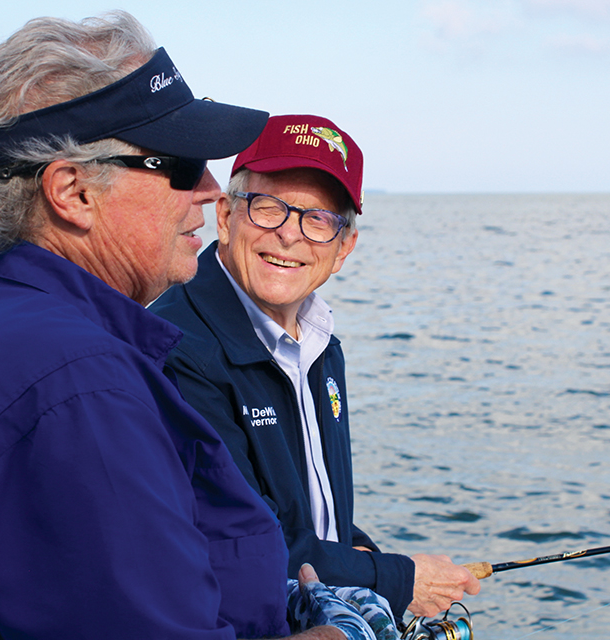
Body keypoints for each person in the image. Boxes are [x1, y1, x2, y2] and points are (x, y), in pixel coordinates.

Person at [0, 13, 391, 640]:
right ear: (74, 192)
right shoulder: (78, 388)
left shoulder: (6, 333)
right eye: (182, 164)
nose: (211, 191)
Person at [150, 114, 481, 619]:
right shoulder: (179, 348)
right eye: (267, 208)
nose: (289, 235)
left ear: (344, 247)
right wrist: (397, 578)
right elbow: (235, 541)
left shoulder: (321, 343)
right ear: (225, 215)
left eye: (319, 219)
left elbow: (313, 515)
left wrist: (367, 557)